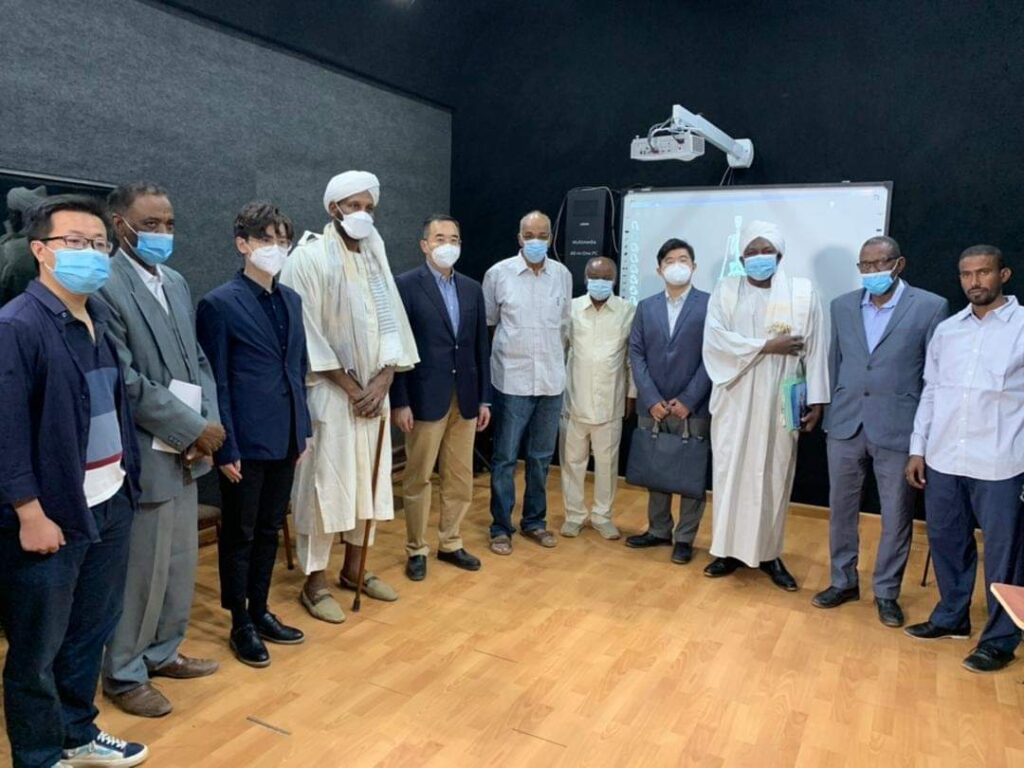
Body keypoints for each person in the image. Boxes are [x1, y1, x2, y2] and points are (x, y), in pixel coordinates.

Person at [0, 195, 148, 767]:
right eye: (75, 242)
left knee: (90, 631)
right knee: (38, 647)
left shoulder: (98, 317)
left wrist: (126, 485)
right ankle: (38, 756)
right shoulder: (18, 326)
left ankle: (76, 733)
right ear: (40, 251)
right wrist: (28, 511)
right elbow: (7, 430)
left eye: (99, 244)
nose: (91, 252)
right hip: (52, 511)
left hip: (109, 501)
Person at [98, 182, 224, 718]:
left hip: (188, 447)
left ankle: (163, 651)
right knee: (141, 570)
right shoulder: (106, 285)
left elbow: (198, 359)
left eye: (169, 224)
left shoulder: (175, 280)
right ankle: (124, 673)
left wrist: (208, 421)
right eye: (150, 224)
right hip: (146, 448)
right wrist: (189, 427)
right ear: (119, 225)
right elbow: (124, 380)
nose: (162, 233)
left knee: (178, 561)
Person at [281, 171, 418, 623]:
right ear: (333, 208)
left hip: (374, 396)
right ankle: (315, 582)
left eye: (369, 207)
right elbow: (306, 334)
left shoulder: (376, 254)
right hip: (330, 394)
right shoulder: (308, 257)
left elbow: (393, 324)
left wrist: (383, 380)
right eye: (354, 205)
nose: (363, 214)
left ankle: (354, 570)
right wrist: (353, 387)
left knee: (369, 484)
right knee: (325, 488)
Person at [196, 202, 311, 667]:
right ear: (242, 244)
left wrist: (302, 432)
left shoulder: (292, 300)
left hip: (286, 435)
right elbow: (216, 381)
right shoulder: (219, 303)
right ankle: (239, 620)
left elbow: (297, 369)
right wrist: (225, 446)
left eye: (282, 240)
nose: (275, 247)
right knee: (240, 533)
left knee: (270, 527)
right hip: (242, 440)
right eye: (266, 239)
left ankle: (261, 608)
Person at [814, 236, 948, 626]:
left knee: (896, 515)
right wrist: (829, 414)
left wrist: (923, 437)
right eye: (865, 265)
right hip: (846, 423)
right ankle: (842, 581)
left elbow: (934, 377)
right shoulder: (842, 306)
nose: (872, 272)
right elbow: (835, 362)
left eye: (879, 264)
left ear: (898, 264)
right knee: (841, 510)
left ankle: (887, 592)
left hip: (898, 428)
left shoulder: (929, 307)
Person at [905, 245, 1024, 673]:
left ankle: (1000, 639)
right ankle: (951, 617)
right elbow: (932, 392)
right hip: (944, 457)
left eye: (983, 272)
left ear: (1003, 274)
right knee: (947, 541)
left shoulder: (1022, 326)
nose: (975, 281)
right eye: (966, 274)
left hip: (1001, 461)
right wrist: (918, 447)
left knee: (1005, 555)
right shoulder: (948, 331)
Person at [702, 220, 829, 590]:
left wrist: (817, 400)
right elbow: (716, 341)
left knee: (774, 474)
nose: (759, 257)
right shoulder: (726, 290)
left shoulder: (803, 293)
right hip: (736, 397)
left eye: (766, 250)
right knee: (730, 473)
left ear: (780, 254)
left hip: (780, 399)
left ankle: (769, 554)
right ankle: (726, 551)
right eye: (752, 251)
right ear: (741, 257)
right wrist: (766, 346)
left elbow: (817, 347)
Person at [391, 214, 491, 581]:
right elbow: (397, 348)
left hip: (465, 398)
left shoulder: (471, 288)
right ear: (424, 245)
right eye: (439, 238)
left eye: (454, 238)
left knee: (460, 477)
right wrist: (400, 401)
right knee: (418, 477)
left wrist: (484, 399)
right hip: (422, 398)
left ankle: (450, 541)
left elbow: (480, 347)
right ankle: (416, 548)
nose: (447, 244)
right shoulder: (405, 285)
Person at [483, 210, 572, 555]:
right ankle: (500, 527)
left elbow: (563, 325)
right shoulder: (498, 274)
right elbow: (490, 324)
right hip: (511, 380)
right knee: (505, 458)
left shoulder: (562, 275)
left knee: (541, 458)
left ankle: (534, 521)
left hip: (551, 381)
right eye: (529, 235)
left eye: (543, 235)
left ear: (551, 238)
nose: (536, 241)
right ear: (519, 238)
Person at [626, 239, 712, 563]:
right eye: (670, 260)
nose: (677, 265)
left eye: (684, 259)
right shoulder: (645, 307)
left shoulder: (710, 305)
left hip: (694, 405)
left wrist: (689, 399)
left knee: (691, 471)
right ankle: (658, 529)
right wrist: (650, 398)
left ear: (694, 266)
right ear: (660, 269)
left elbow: (713, 356)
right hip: (654, 405)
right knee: (656, 466)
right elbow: (636, 353)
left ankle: (685, 537)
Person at [558, 256, 636, 540]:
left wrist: (631, 395)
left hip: (610, 403)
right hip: (573, 401)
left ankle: (603, 516)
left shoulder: (627, 311)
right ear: (585, 279)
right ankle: (574, 515)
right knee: (572, 463)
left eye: (605, 277)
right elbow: (560, 350)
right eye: (594, 277)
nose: (600, 282)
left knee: (607, 465)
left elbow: (631, 358)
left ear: (614, 280)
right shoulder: (571, 308)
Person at [0, 184, 48, 306]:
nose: (9, 218)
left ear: (20, 216)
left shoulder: (12, 251)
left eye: (12, 213)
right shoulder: (50, 247)